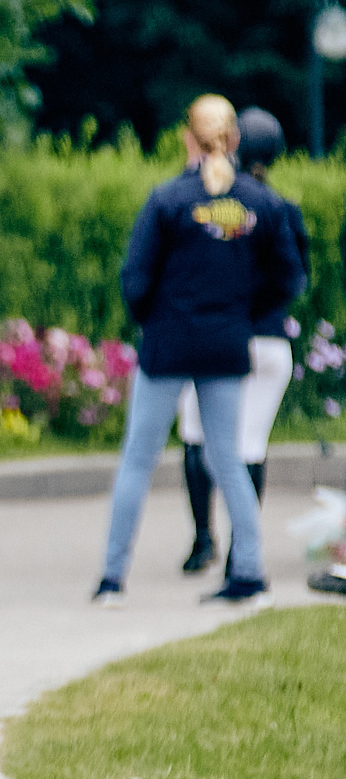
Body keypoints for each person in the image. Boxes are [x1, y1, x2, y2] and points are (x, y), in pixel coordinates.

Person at [92, 95, 304, 608]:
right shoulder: (261, 203)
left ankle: (112, 580)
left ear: (188, 137)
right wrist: (244, 315)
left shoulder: (167, 200)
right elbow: (289, 278)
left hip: (168, 343)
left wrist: (157, 321)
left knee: (138, 459)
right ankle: (249, 572)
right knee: (228, 459)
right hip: (228, 342)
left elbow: (136, 278)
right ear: (234, 141)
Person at [174, 107, 303, 577]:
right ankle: (238, 550)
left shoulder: (206, 201)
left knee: (195, 434)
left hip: (213, 338)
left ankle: (203, 539)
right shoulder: (282, 207)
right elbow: (294, 279)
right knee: (249, 445)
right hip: (268, 341)